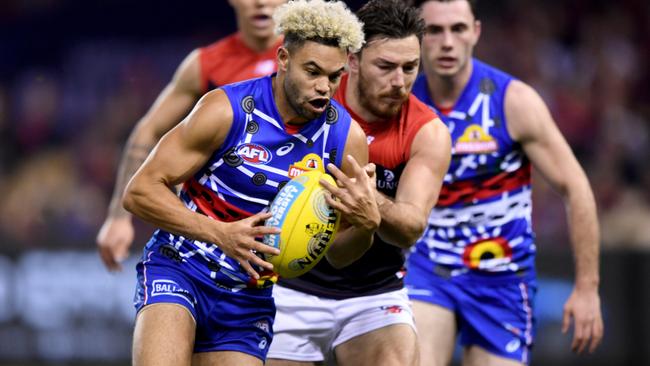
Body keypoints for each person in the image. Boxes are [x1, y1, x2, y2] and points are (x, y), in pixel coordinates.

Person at [122, 1, 377, 365]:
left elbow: (338, 254)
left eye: (334, 77)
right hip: (180, 266)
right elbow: (139, 192)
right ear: (284, 58)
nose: (324, 87)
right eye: (312, 71)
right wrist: (220, 234)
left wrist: (367, 227)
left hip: (248, 297)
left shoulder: (345, 140)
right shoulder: (226, 109)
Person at [406, 1, 604, 365]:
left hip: (501, 276)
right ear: (417, 36)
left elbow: (576, 188)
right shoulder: (402, 103)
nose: (447, 42)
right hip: (426, 267)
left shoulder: (514, 101)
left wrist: (587, 288)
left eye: (458, 29)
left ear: (476, 32)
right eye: (434, 30)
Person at [267, 1, 451, 365]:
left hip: (374, 294)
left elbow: (410, 228)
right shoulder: (313, 98)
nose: (399, 82)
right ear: (352, 60)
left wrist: (363, 197)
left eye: (410, 68)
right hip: (288, 288)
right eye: (385, 67)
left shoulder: (426, 132)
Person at [96, 0, 287, 272]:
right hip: (214, 230)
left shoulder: (308, 63)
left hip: (287, 226)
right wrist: (118, 217)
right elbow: (148, 129)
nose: (261, 2)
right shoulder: (206, 64)